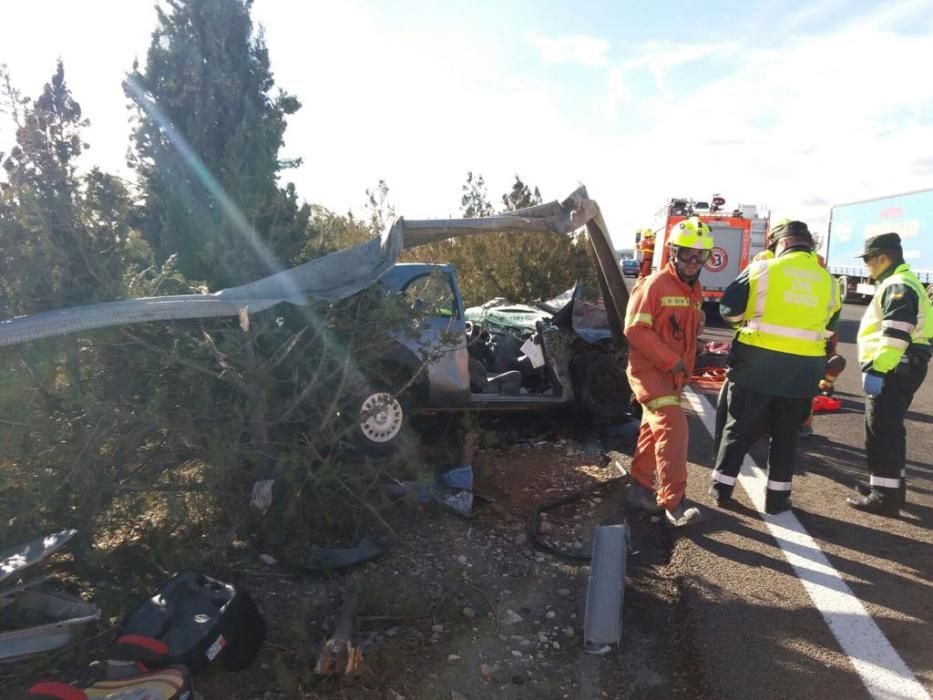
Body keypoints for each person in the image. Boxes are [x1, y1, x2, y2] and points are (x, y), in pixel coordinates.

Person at [709, 220, 840, 515]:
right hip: (802, 375)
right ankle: (778, 500)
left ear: (778, 243)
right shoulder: (828, 281)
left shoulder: (762, 269)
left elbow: (729, 311)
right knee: (786, 437)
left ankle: (722, 489)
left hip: (755, 368)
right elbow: (829, 328)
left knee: (738, 429)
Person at [624, 216, 712, 527]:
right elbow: (635, 330)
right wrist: (669, 360)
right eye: (686, 253)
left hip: (675, 375)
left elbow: (683, 330)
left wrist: (699, 349)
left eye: (699, 255)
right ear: (673, 252)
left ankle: (638, 487)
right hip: (650, 372)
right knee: (674, 428)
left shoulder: (695, 289)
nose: (692, 261)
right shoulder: (654, 285)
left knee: (653, 429)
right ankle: (674, 503)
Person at [847, 232, 932, 515]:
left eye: (869, 259)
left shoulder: (897, 285)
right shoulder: (904, 282)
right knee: (891, 431)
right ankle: (890, 490)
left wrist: (878, 371)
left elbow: (896, 334)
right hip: (904, 367)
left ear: (883, 257)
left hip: (894, 368)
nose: (867, 266)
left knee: (881, 432)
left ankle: (883, 497)